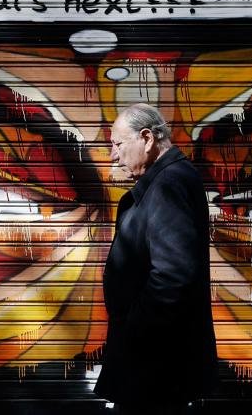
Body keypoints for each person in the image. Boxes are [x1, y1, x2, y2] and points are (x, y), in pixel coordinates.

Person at [94, 103, 218, 414]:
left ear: (147, 139)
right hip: (154, 365)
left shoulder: (168, 184)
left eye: (118, 144)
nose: (112, 156)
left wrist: (135, 333)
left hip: (155, 366)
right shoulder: (165, 181)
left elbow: (173, 273)